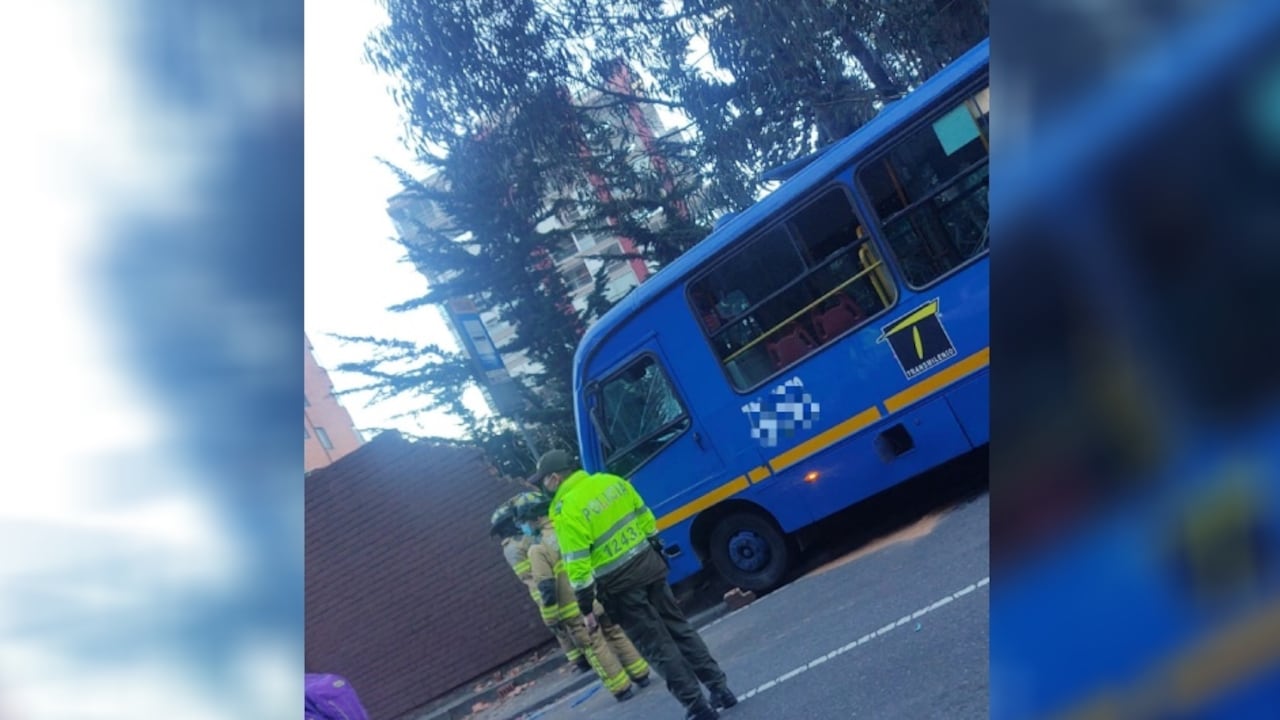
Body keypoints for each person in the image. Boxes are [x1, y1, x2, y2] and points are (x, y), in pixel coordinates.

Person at [532, 449, 737, 720]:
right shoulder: (611, 482)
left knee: (658, 646)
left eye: (544, 480)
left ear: (555, 478)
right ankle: (720, 689)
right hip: (650, 568)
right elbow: (646, 520)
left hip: (620, 587)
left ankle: (697, 707)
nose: (543, 486)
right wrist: (655, 552)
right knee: (680, 629)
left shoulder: (567, 509)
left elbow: (578, 564)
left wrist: (585, 608)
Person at [512, 491, 652, 702]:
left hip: (574, 610)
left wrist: (551, 619)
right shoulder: (568, 530)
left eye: (525, 521)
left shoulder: (537, 549)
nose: (525, 527)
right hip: (596, 596)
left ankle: (621, 688)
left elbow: (547, 588)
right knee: (614, 632)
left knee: (595, 645)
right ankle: (641, 674)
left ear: (534, 517)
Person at [490, 498, 590, 673]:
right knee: (562, 627)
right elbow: (528, 574)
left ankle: (583, 655)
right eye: (512, 520)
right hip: (542, 589)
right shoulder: (512, 548)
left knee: (569, 622)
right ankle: (579, 659)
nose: (516, 522)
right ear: (505, 525)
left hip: (550, 581)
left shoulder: (522, 539)